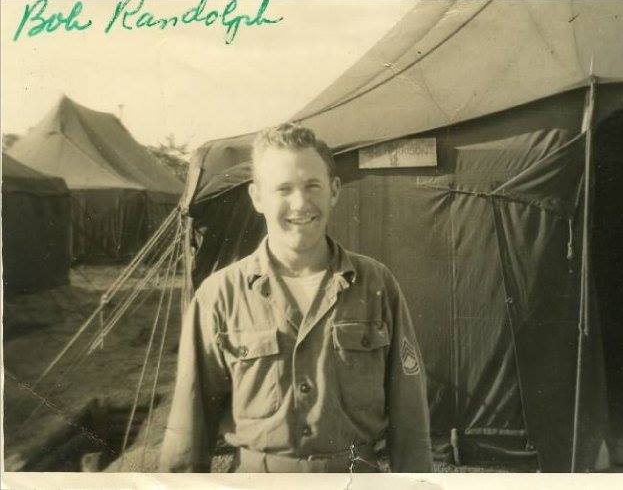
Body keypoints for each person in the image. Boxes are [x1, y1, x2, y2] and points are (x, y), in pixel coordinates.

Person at [158, 123, 432, 473]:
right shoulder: (219, 296)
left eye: (312, 186)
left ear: (334, 191)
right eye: (283, 189)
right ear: (257, 198)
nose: (300, 203)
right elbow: (187, 433)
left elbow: (410, 422)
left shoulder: (377, 284)